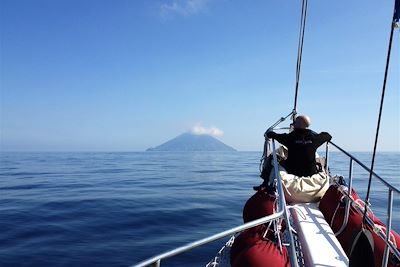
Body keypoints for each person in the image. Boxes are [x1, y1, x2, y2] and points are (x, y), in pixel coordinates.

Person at [266, 115, 332, 177]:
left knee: (276, 159)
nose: (293, 124)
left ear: (299, 124)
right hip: (310, 172)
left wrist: (270, 132)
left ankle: (265, 183)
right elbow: (328, 136)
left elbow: (273, 135)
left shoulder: (289, 137)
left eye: (295, 122)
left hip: (292, 171)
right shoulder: (315, 138)